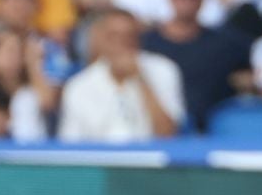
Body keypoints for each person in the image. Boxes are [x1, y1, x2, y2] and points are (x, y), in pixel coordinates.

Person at [141, 0, 250, 129]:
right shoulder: (146, 43)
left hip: (210, 140)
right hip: (159, 136)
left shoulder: (226, 44)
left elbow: (255, 75)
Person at [56, 8, 184, 142]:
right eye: (114, 36)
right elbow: (71, 149)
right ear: (101, 39)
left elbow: (168, 134)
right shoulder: (78, 86)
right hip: (98, 161)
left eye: (129, 36)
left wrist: (141, 79)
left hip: (148, 159)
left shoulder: (164, 70)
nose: (121, 43)